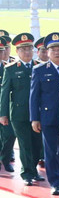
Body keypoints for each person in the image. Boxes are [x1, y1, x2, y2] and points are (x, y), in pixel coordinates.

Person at [30, 33, 59, 195]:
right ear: (47, 52)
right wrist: (34, 118)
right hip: (48, 117)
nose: (57, 52)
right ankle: (55, 182)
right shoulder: (39, 70)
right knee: (50, 150)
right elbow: (34, 97)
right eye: (53, 49)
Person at [1, 33, 43, 184]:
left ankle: (33, 169)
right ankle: (27, 174)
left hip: (37, 114)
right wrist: (3, 114)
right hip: (19, 114)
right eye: (23, 49)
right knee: (25, 144)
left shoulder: (39, 66)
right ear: (17, 51)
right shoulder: (11, 69)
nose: (27, 52)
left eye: (29, 49)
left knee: (37, 144)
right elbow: (5, 93)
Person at [0, 35, 15, 172]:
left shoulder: (8, 67)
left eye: (1, 51)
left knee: (9, 135)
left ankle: (4, 158)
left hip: (5, 107)